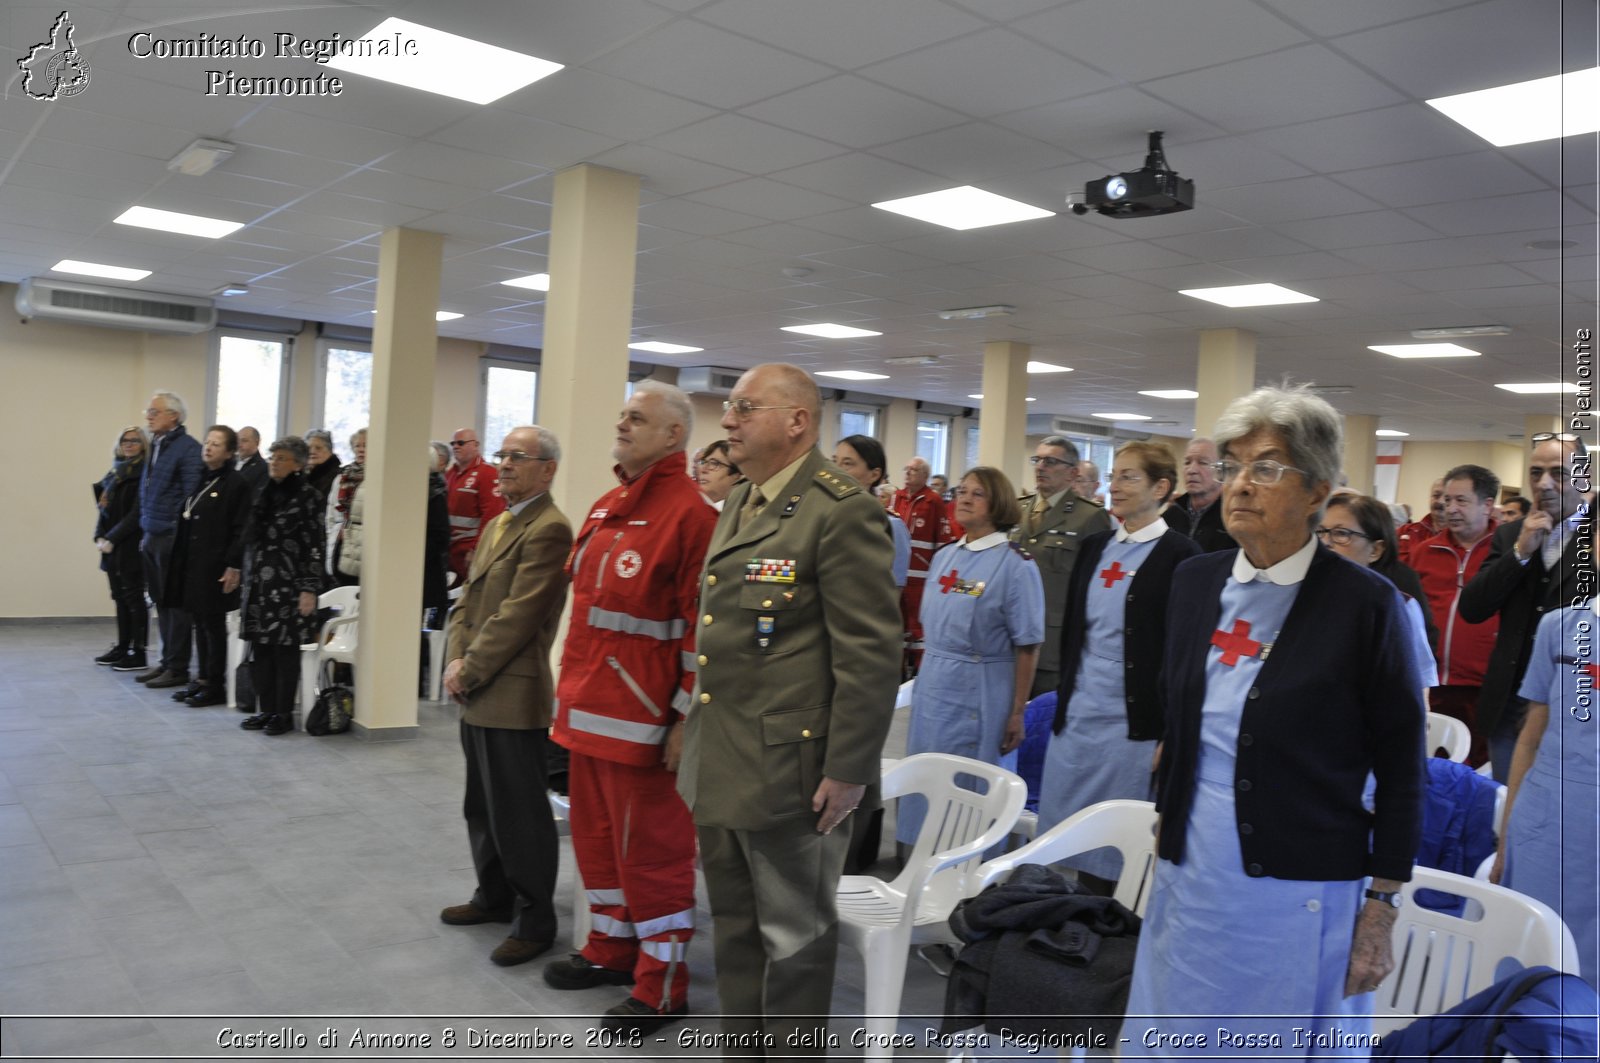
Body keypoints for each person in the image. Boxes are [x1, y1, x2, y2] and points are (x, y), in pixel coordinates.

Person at [1126, 385, 1425, 1054]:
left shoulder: (1366, 604)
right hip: (1190, 866)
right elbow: (1184, 720)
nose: (1239, 485)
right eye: (1232, 466)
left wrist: (1380, 907)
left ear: (1318, 489)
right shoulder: (1196, 581)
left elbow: (1404, 767)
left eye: (1266, 467)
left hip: (1294, 883)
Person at [677, 363, 901, 1048]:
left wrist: (849, 769)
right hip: (723, 756)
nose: (728, 420)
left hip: (793, 772)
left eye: (746, 406)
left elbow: (869, 654)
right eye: (730, 407)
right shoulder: (743, 500)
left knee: (795, 943)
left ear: (797, 420)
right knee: (737, 931)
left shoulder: (842, 510)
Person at [543, 382, 717, 1033]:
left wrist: (682, 721)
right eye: (622, 414)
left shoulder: (693, 516)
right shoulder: (610, 504)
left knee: (654, 856)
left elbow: (703, 636)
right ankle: (611, 949)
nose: (622, 423)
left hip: (646, 727)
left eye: (637, 417)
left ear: (674, 436)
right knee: (597, 847)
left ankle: (661, 983)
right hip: (587, 714)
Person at [1037, 442, 1199, 891]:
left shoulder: (1182, 557)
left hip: (1131, 725)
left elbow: (1185, 655)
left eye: (1129, 477)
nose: (1115, 486)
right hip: (1080, 715)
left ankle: (1102, 940)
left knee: (1111, 852)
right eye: (1114, 475)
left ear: (1161, 487)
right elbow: (1075, 633)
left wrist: (1172, 733)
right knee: (1062, 837)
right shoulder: (1094, 547)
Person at [440, 426, 572, 969]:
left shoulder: (551, 529)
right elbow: (468, 603)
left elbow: (519, 615)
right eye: (503, 456)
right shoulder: (498, 523)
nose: (506, 465)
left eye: (518, 457)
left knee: (520, 813)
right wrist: (454, 658)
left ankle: (535, 918)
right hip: (474, 684)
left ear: (548, 469)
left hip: (512, 691)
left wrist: (468, 669)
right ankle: (492, 896)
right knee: (482, 804)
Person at [899, 465, 1044, 847]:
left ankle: (969, 869)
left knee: (970, 783)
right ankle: (917, 858)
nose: (963, 498)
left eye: (976, 493)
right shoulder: (945, 557)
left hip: (981, 687)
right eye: (961, 491)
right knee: (927, 774)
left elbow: (1028, 644)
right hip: (934, 686)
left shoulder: (1014, 564)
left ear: (998, 503)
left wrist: (1016, 710)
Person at [1460, 433, 1596, 779]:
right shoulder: (1510, 535)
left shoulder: (1596, 536)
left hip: (1572, 702)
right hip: (1509, 700)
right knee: (1511, 805)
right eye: (1535, 473)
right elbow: (1473, 608)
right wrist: (1520, 553)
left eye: (1558, 473)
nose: (1544, 484)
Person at [1490, 602, 1599, 987]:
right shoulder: (1559, 627)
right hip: (1546, 822)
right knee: (1532, 957)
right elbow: (1530, 739)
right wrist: (1506, 837)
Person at [1410, 465, 1502, 765]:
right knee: (1432, 766)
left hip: (1485, 686)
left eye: (1461, 501)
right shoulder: (1425, 551)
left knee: (1478, 770)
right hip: (1432, 684)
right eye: (1447, 500)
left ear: (1487, 505)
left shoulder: (1505, 553)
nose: (1450, 508)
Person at [1011, 435, 1112, 696]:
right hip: (1008, 638)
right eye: (1038, 459)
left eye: (1051, 461)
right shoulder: (1016, 510)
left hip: (1053, 645)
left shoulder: (1089, 516)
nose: (1040, 467)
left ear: (1072, 473)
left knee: (1042, 724)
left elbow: (1093, 590)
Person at [239, 436, 326, 737]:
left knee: (284, 652)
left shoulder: (308, 496)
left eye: (282, 458)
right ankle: (266, 710)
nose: (274, 462)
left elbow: (315, 544)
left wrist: (308, 588)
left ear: (298, 464)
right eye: (273, 457)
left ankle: (283, 714)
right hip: (260, 583)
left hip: (290, 585)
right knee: (261, 649)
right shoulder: (264, 491)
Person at [1316, 493, 1439, 698]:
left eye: (1341, 533)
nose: (1326, 543)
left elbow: (1417, 681)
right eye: (1321, 532)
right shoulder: (1299, 597)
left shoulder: (1398, 606)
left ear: (1376, 549)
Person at [167, 426, 251, 708]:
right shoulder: (203, 478)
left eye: (216, 444)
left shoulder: (235, 483)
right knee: (199, 623)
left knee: (212, 625)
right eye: (207, 442)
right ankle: (202, 678)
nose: (208, 447)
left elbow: (241, 529)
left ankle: (215, 683)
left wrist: (233, 565)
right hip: (194, 564)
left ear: (229, 452)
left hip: (216, 565)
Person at [134, 391, 204, 690]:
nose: (148, 416)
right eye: (148, 411)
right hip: (152, 533)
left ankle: (177, 668)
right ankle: (166, 662)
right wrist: (145, 528)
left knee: (176, 606)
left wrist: (174, 531)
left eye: (154, 411)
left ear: (174, 416)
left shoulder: (188, 449)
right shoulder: (158, 445)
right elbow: (147, 490)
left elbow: (190, 496)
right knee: (160, 602)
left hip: (171, 537)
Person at [94, 426, 150, 670]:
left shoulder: (144, 473)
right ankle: (122, 646)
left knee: (134, 598)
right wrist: (99, 536)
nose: (129, 444)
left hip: (130, 544)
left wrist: (112, 538)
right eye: (125, 440)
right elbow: (103, 509)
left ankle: (138, 653)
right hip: (111, 545)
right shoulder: (114, 473)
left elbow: (137, 513)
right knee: (119, 597)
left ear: (143, 445)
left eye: (135, 441)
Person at [893, 456, 952, 676]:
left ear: (925, 475)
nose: (908, 473)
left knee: (917, 627)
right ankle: (897, 670)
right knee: (897, 625)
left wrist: (937, 575)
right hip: (898, 577)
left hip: (921, 577)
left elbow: (942, 541)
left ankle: (919, 671)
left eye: (914, 470)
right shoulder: (895, 498)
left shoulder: (933, 501)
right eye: (906, 469)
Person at [833, 434, 910, 587]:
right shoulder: (826, 518)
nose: (835, 470)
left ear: (874, 475)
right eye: (834, 462)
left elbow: (893, 590)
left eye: (847, 464)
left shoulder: (890, 525)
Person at [445, 427, 508, 585]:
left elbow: (492, 515)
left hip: (469, 553)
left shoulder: (487, 473)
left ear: (475, 445)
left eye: (460, 443)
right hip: (450, 552)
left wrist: (477, 549)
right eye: (453, 443)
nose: (455, 446)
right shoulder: (450, 474)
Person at [1164, 437, 1236, 552]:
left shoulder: (1233, 516)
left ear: (1222, 471)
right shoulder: (1170, 516)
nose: (1192, 470)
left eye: (1203, 463)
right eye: (1187, 462)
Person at [328, 427, 366, 585]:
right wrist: (333, 533)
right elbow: (331, 512)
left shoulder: (380, 476)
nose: (361, 449)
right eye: (357, 446)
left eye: (366, 445)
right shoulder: (342, 476)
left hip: (363, 543)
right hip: (341, 540)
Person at [1396, 478, 1445, 564]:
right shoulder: (1405, 530)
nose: (1440, 501)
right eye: (1436, 496)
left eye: (1446, 498)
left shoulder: (1458, 538)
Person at [694, 438, 743, 510]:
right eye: (703, 462)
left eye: (714, 463)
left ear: (736, 474)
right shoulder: (693, 506)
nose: (703, 470)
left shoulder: (740, 513)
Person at [303, 429, 342, 503]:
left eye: (318, 448)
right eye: (308, 448)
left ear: (330, 451)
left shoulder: (338, 476)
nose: (312, 451)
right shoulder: (302, 475)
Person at [235, 426, 268, 495]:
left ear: (257, 442)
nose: (239, 445)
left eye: (244, 441)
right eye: (238, 441)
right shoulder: (230, 462)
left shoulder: (264, 468)